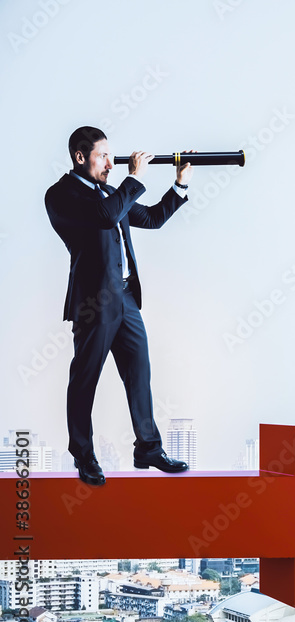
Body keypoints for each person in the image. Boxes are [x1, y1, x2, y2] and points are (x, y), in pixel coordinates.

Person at [45, 126, 192, 486]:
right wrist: (134, 178)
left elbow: (152, 218)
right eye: (103, 155)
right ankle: (83, 454)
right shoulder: (61, 196)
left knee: (139, 373)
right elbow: (104, 216)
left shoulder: (111, 192)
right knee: (85, 380)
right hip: (93, 302)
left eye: (113, 154)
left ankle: (148, 448)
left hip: (125, 298)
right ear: (80, 157)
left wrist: (180, 184)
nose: (111, 162)